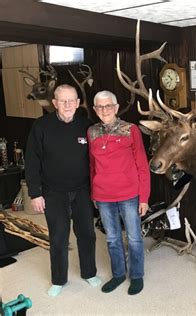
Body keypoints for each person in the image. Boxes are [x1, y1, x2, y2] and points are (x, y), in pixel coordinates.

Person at [25, 84, 101, 297]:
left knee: (87, 234)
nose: (67, 104)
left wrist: (99, 190)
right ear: (55, 103)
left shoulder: (87, 126)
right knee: (58, 236)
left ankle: (89, 272)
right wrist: (35, 192)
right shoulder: (41, 126)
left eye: (72, 100)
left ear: (78, 103)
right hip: (53, 192)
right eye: (63, 100)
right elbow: (32, 161)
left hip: (83, 190)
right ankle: (59, 279)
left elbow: (97, 160)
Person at [88, 90, 150, 295]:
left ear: (115, 108)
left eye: (108, 106)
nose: (104, 110)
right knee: (112, 238)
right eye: (100, 106)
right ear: (95, 110)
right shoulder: (91, 132)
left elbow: (142, 165)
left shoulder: (131, 130)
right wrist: (94, 194)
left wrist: (144, 197)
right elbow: (92, 166)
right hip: (103, 195)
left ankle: (137, 276)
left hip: (129, 194)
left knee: (133, 238)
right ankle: (118, 274)